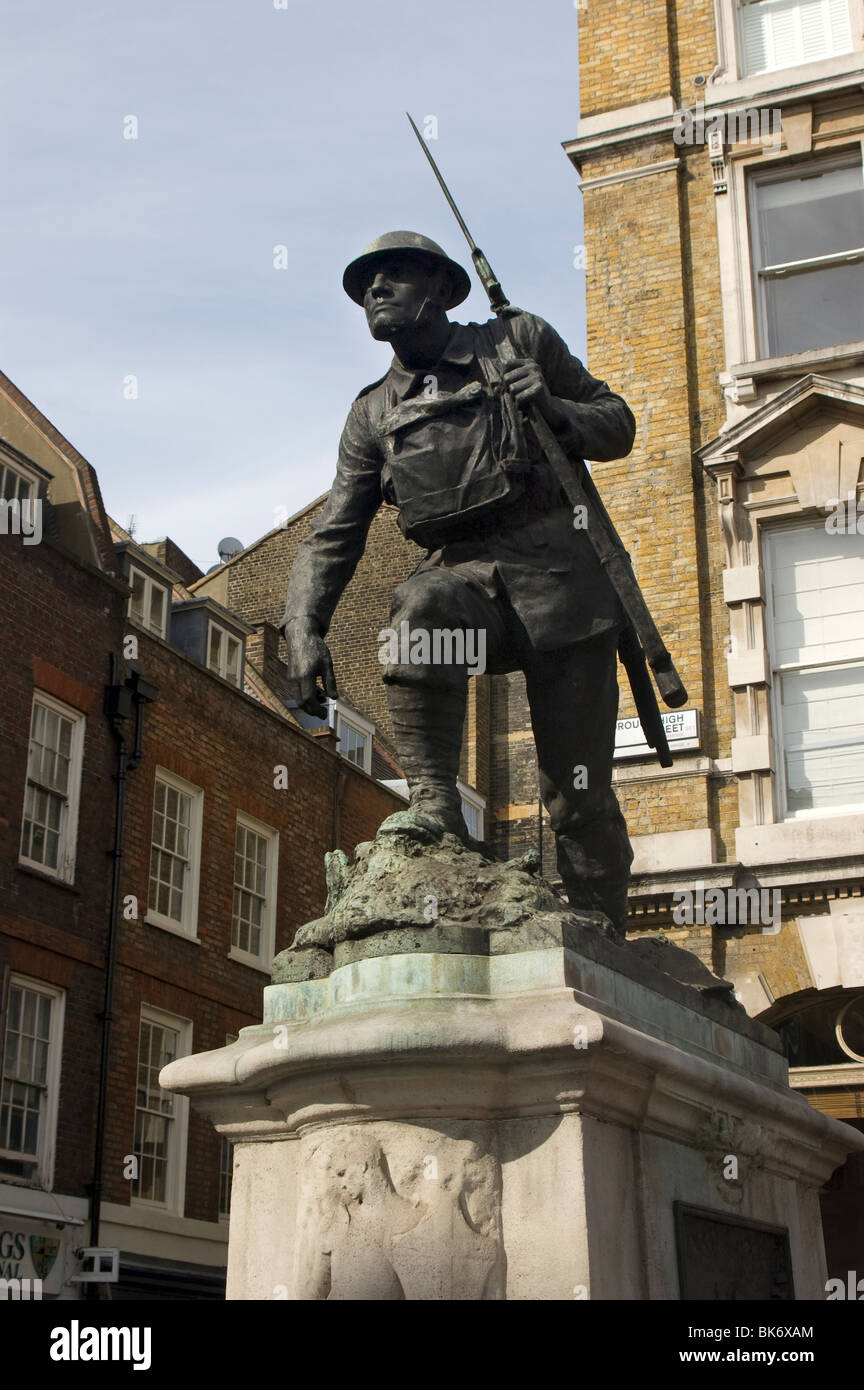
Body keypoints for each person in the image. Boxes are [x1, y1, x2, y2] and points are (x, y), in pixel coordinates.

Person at [280, 231, 637, 930]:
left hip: (565, 589)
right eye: (367, 284)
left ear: (442, 290)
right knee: (418, 606)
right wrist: (304, 624)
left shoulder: (517, 340)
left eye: (397, 275)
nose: (377, 290)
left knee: (577, 796)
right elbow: (335, 531)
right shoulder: (373, 413)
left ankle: (606, 933)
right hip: (467, 585)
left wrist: (561, 412)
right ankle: (435, 800)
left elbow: (618, 424)